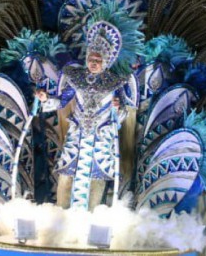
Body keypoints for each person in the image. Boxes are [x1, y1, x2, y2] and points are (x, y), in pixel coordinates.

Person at [37, 20, 137, 210]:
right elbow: (62, 101)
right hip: (77, 138)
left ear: (106, 61)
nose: (93, 63)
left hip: (100, 140)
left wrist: (117, 109)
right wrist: (45, 99)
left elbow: (122, 113)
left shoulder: (114, 82)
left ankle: (89, 220)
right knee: (66, 176)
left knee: (96, 180)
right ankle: (60, 217)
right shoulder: (76, 77)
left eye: (98, 60)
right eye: (91, 58)